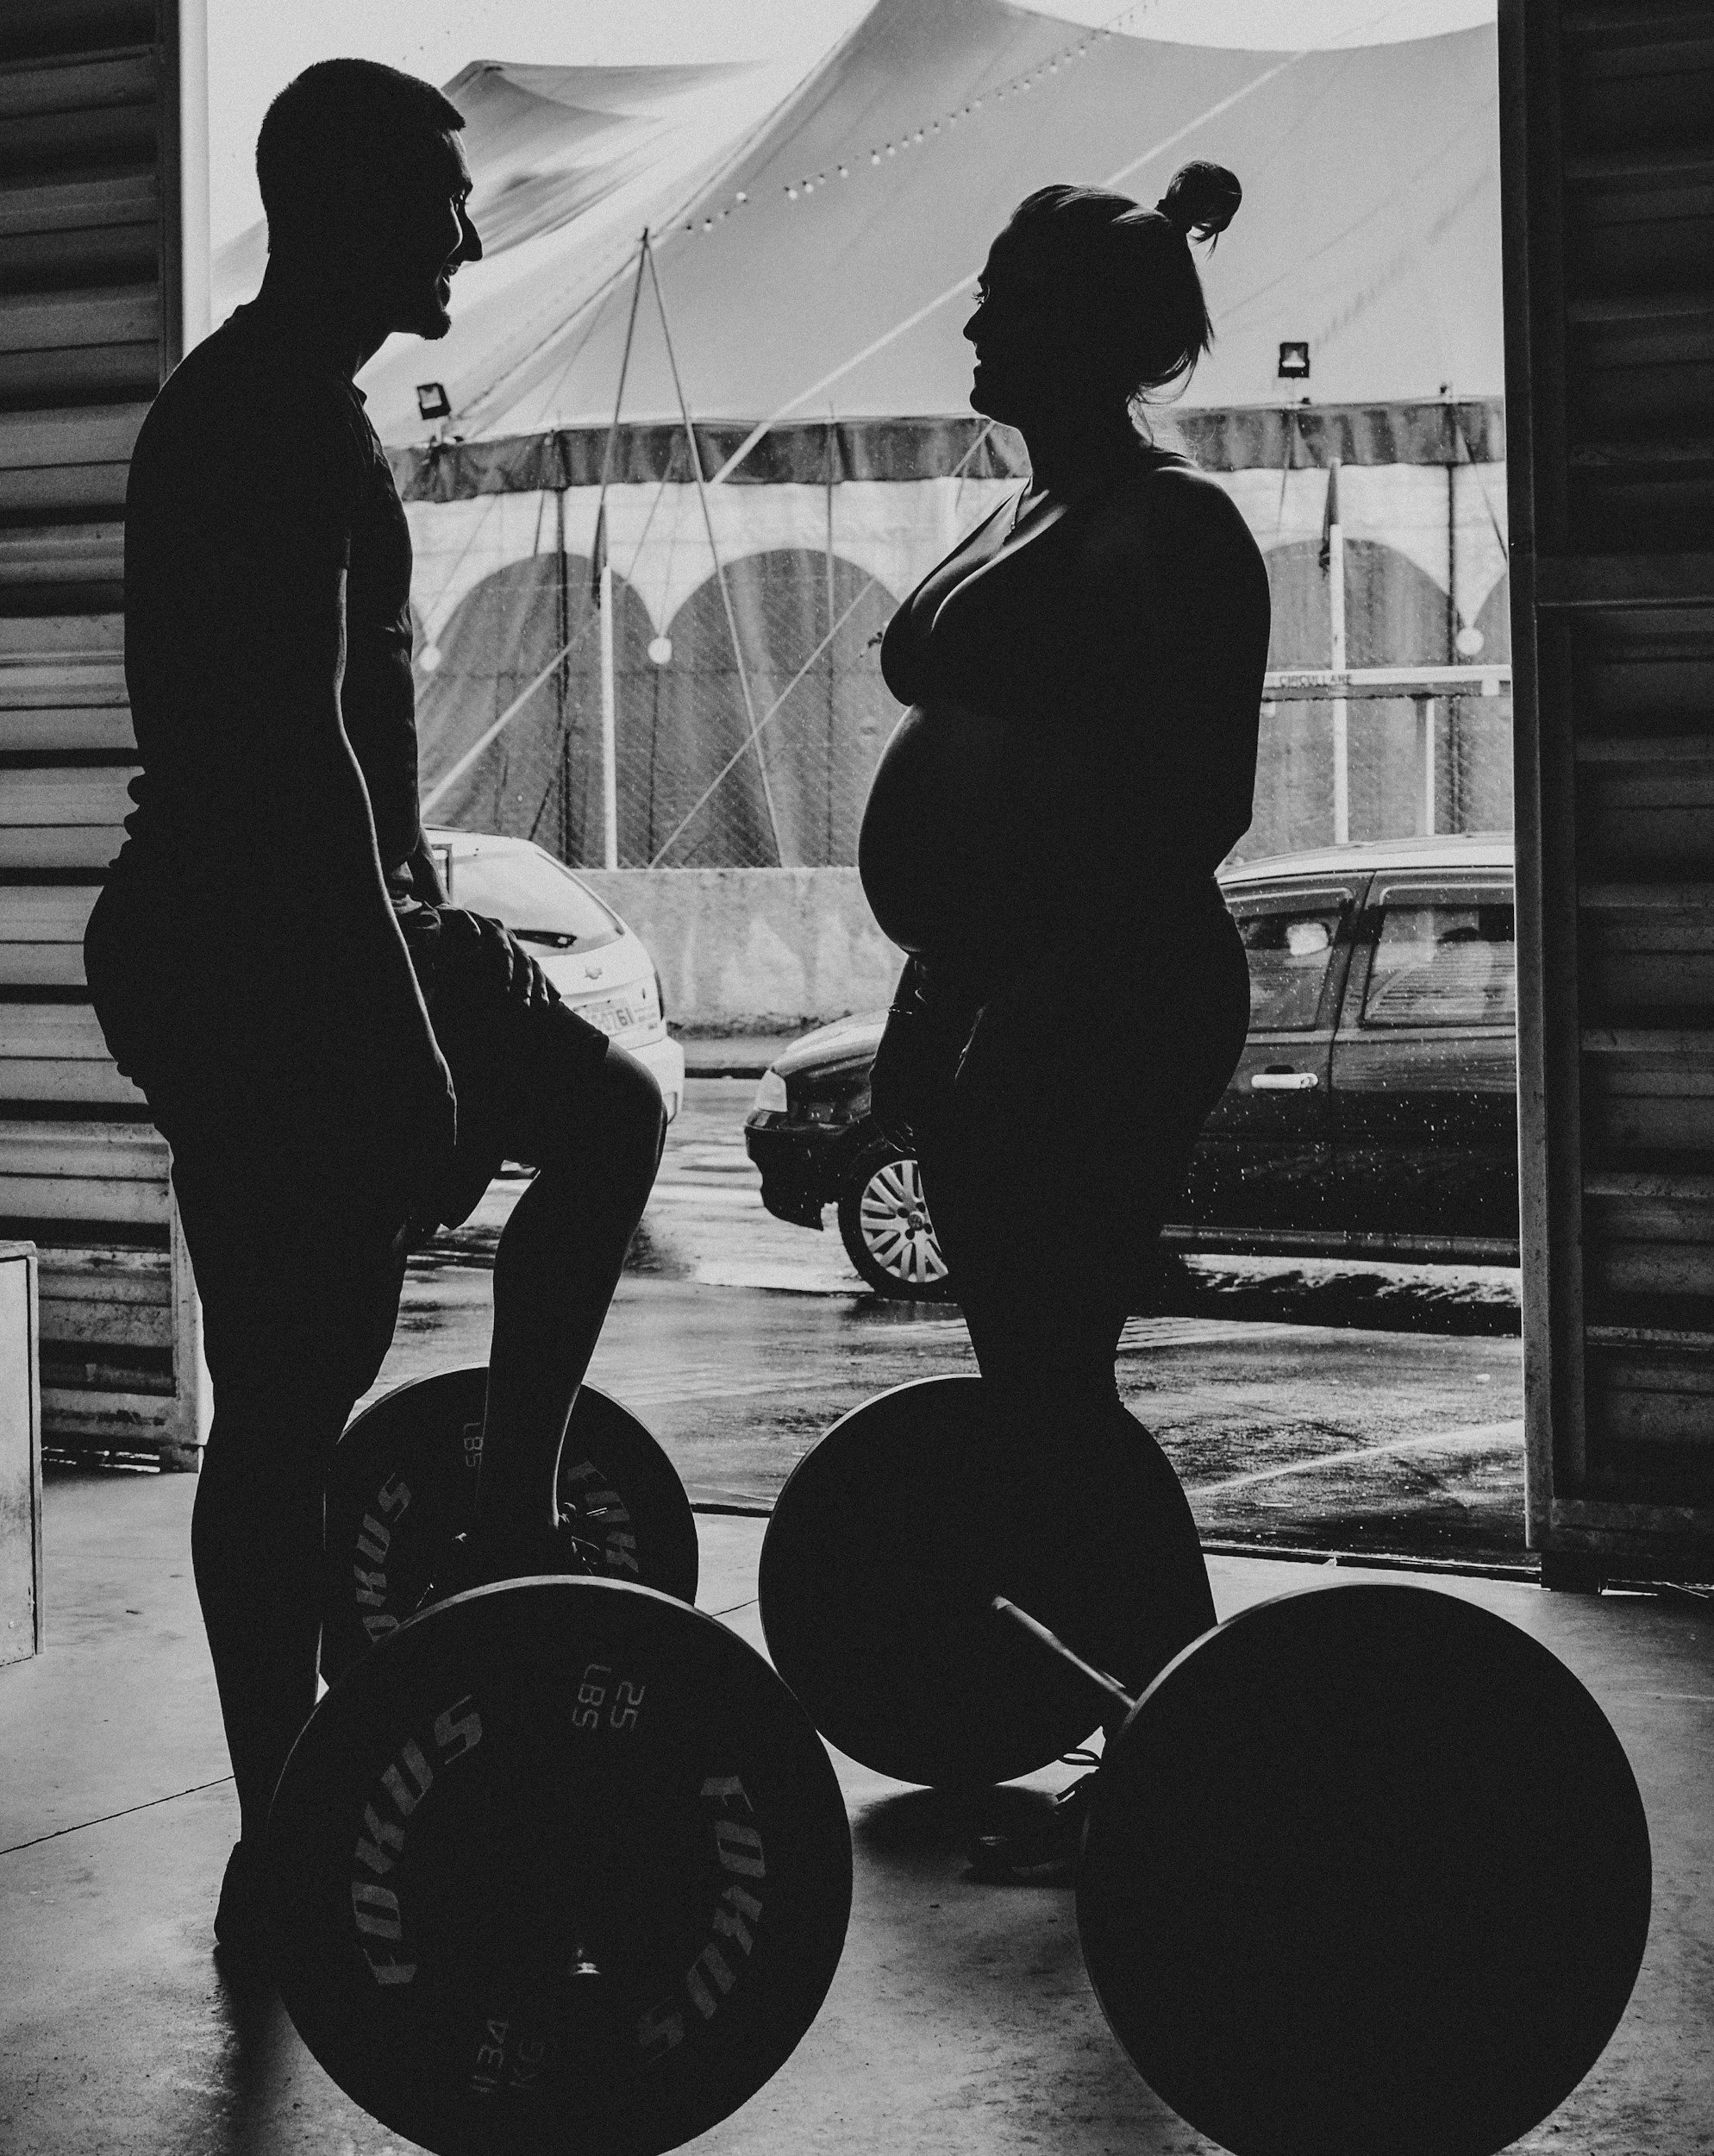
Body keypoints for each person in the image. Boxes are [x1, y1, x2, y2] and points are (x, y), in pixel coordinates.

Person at [83, 61, 666, 1963]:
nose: (470, 234)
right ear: (338, 206)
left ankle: (496, 1521)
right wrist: (405, 1033)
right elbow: (296, 758)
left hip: (318, 935)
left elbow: (341, 766)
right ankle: (290, 1832)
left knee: (598, 1122)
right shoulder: (258, 416)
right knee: (281, 1407)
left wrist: (425, 942)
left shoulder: (289, 409)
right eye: (440, 198)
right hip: (269, 951)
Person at [857, 164, 1269, 1868]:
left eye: (1004, 301)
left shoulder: (1175, 529)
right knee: (1034, 1381)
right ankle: (1147, 1732)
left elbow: (1191, 808)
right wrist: (931, 1004)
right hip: (994, 994)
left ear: (1088, 333)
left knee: (1058, 1382)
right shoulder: (1024, 511)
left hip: (1108, 993)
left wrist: (1025, 992)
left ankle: (1178, 1750)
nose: (968, 323)